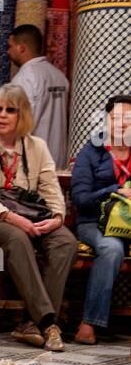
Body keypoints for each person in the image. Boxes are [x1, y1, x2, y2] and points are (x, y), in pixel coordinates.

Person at [0, 84, 76, 352]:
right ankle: (50, 323)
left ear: (22, 114)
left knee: (66, 243)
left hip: (31, 215)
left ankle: (31, 322)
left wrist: (57, 218)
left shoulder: (36, 146)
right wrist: (13, 219)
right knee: (17, 239)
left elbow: (51, 188)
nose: (2, 115)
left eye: (10, 110)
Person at [70, 93, 131, 344]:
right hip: (95, 224)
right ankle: (89, 323)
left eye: (128, 119)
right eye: (116, 118)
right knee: (111, 248)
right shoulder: (91, 152)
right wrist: (114, 191)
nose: (122, 124)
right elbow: (80, 198)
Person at [7, 24, 69, 168]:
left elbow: (20, 125)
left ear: (21, 47)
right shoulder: (59, 76)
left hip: (34, 162)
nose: (8, 52)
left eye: (10, 46)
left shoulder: (24, 79)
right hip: (58, 159)